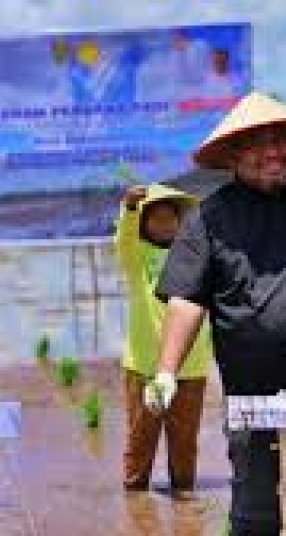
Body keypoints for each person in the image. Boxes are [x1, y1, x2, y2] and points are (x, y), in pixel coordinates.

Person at [147, 91, 286, 534]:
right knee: (254, 507)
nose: (275, 152)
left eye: (281, 140)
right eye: (260, 143)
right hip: (251, 393)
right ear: (233, 155)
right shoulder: (210, 218)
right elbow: (187, 299)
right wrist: (166, 372)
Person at [114, 183, 212, 495]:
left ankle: (184, 494)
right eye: (155, 219)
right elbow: (124, 242)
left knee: (185, 440)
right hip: (145, 366)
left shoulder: (197, 259)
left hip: (191, 367)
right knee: (141, 436)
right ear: (144, 224)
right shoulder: (138, 259)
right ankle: (135, 497)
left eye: (171, 218)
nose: (164, 224)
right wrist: (129, 211)